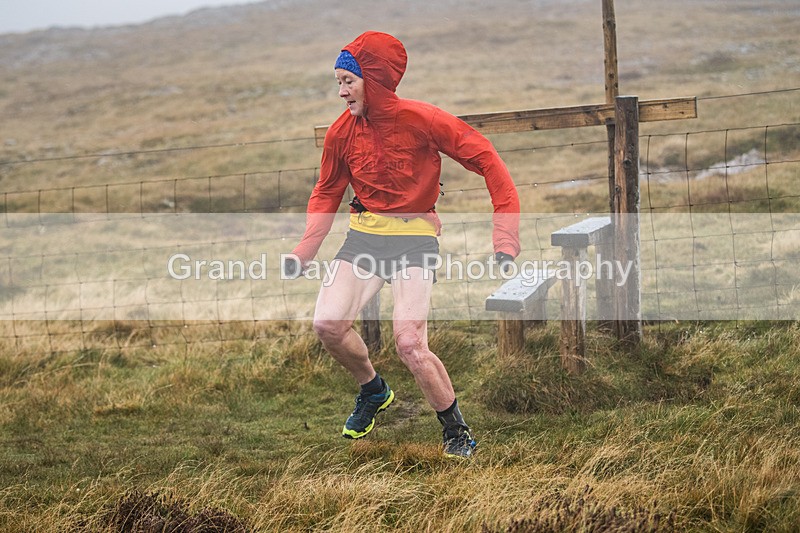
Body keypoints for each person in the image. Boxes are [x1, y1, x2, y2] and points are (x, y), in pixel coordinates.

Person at [286, 31, 520, 458]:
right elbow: (326, 192)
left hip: (414, 237)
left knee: (410, 342)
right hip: (365, 236)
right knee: (328, 325)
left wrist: (504, 236)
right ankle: (373, 391)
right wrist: (305, 251)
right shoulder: (341, 133)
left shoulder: (424, 119)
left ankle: (456, 431)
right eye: (337, 82)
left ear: (372, 80)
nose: (341, 92)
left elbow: (486, 158)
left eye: (347, 81)